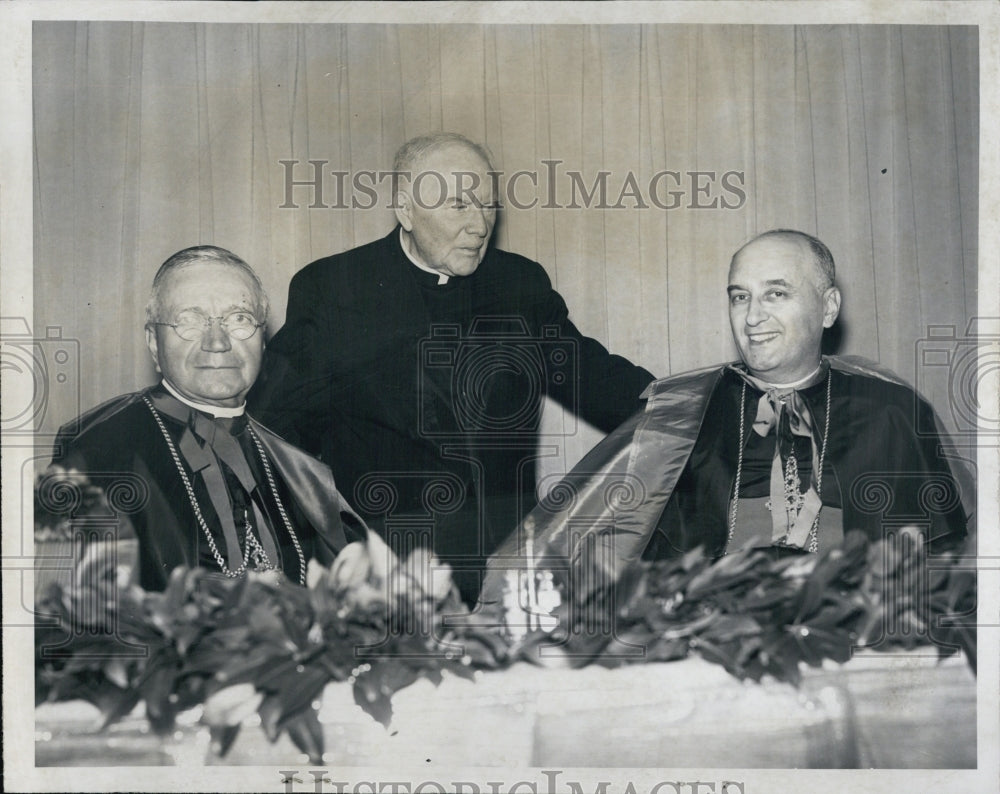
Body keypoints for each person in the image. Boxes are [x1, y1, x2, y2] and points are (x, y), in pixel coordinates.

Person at [249, 132, 655, 603]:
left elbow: (598, 379)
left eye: (487, 205)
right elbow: (272, 432)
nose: (479, 225)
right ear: (405, 209)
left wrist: (696, 402)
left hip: (508, 564)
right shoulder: (335, 289)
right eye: (458, 206)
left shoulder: (519, 283)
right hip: (388, 570)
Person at [483, 229, 972, 599]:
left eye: (775, 294)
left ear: (828, 308)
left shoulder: (889, 410)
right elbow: (610, 548)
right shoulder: (684, 414)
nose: (753, 317)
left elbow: (935, 567)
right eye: (741, 296)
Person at [47, 246, 367, 591]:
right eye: (189, 320)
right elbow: (70, 616)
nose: (217, 341)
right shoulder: (99, 450)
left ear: (263, 339)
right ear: (154, 342)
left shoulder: (304, 475)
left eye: (239, 318)